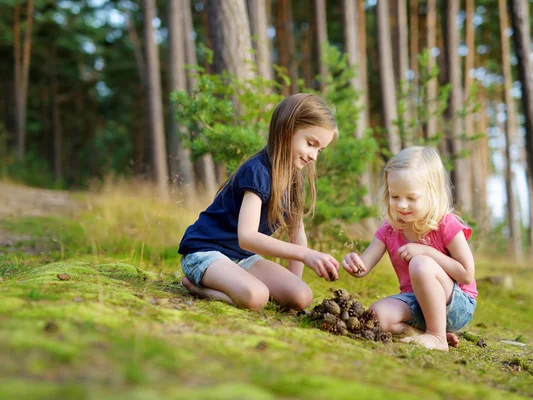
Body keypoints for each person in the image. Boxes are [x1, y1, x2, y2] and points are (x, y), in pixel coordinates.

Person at [179, 93, 340, 311]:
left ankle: (238, 284)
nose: (314, 156)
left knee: (302, 296)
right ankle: (199, 289)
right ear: (286, 130)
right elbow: (247, 237)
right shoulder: (257, 172)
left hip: (242, 258)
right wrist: (306, 255)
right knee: (257, 297)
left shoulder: (293, 179)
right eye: (311, 144)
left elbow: (297, 236)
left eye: (319, 150)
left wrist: (294, 286)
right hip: (206, 252)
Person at [341, 146, 477, 350]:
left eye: (411, 198)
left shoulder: (446, 224)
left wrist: (426, 252)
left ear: (432, 194)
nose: (402, 205)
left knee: (420, 264)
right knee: (375, 317)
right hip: (416, 302)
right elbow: (364, 267)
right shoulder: (389, 230)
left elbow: (466, 275)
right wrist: (354, 264)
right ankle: (425, 332)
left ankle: (437, 337)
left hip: (456, 303)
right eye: (395, 197)